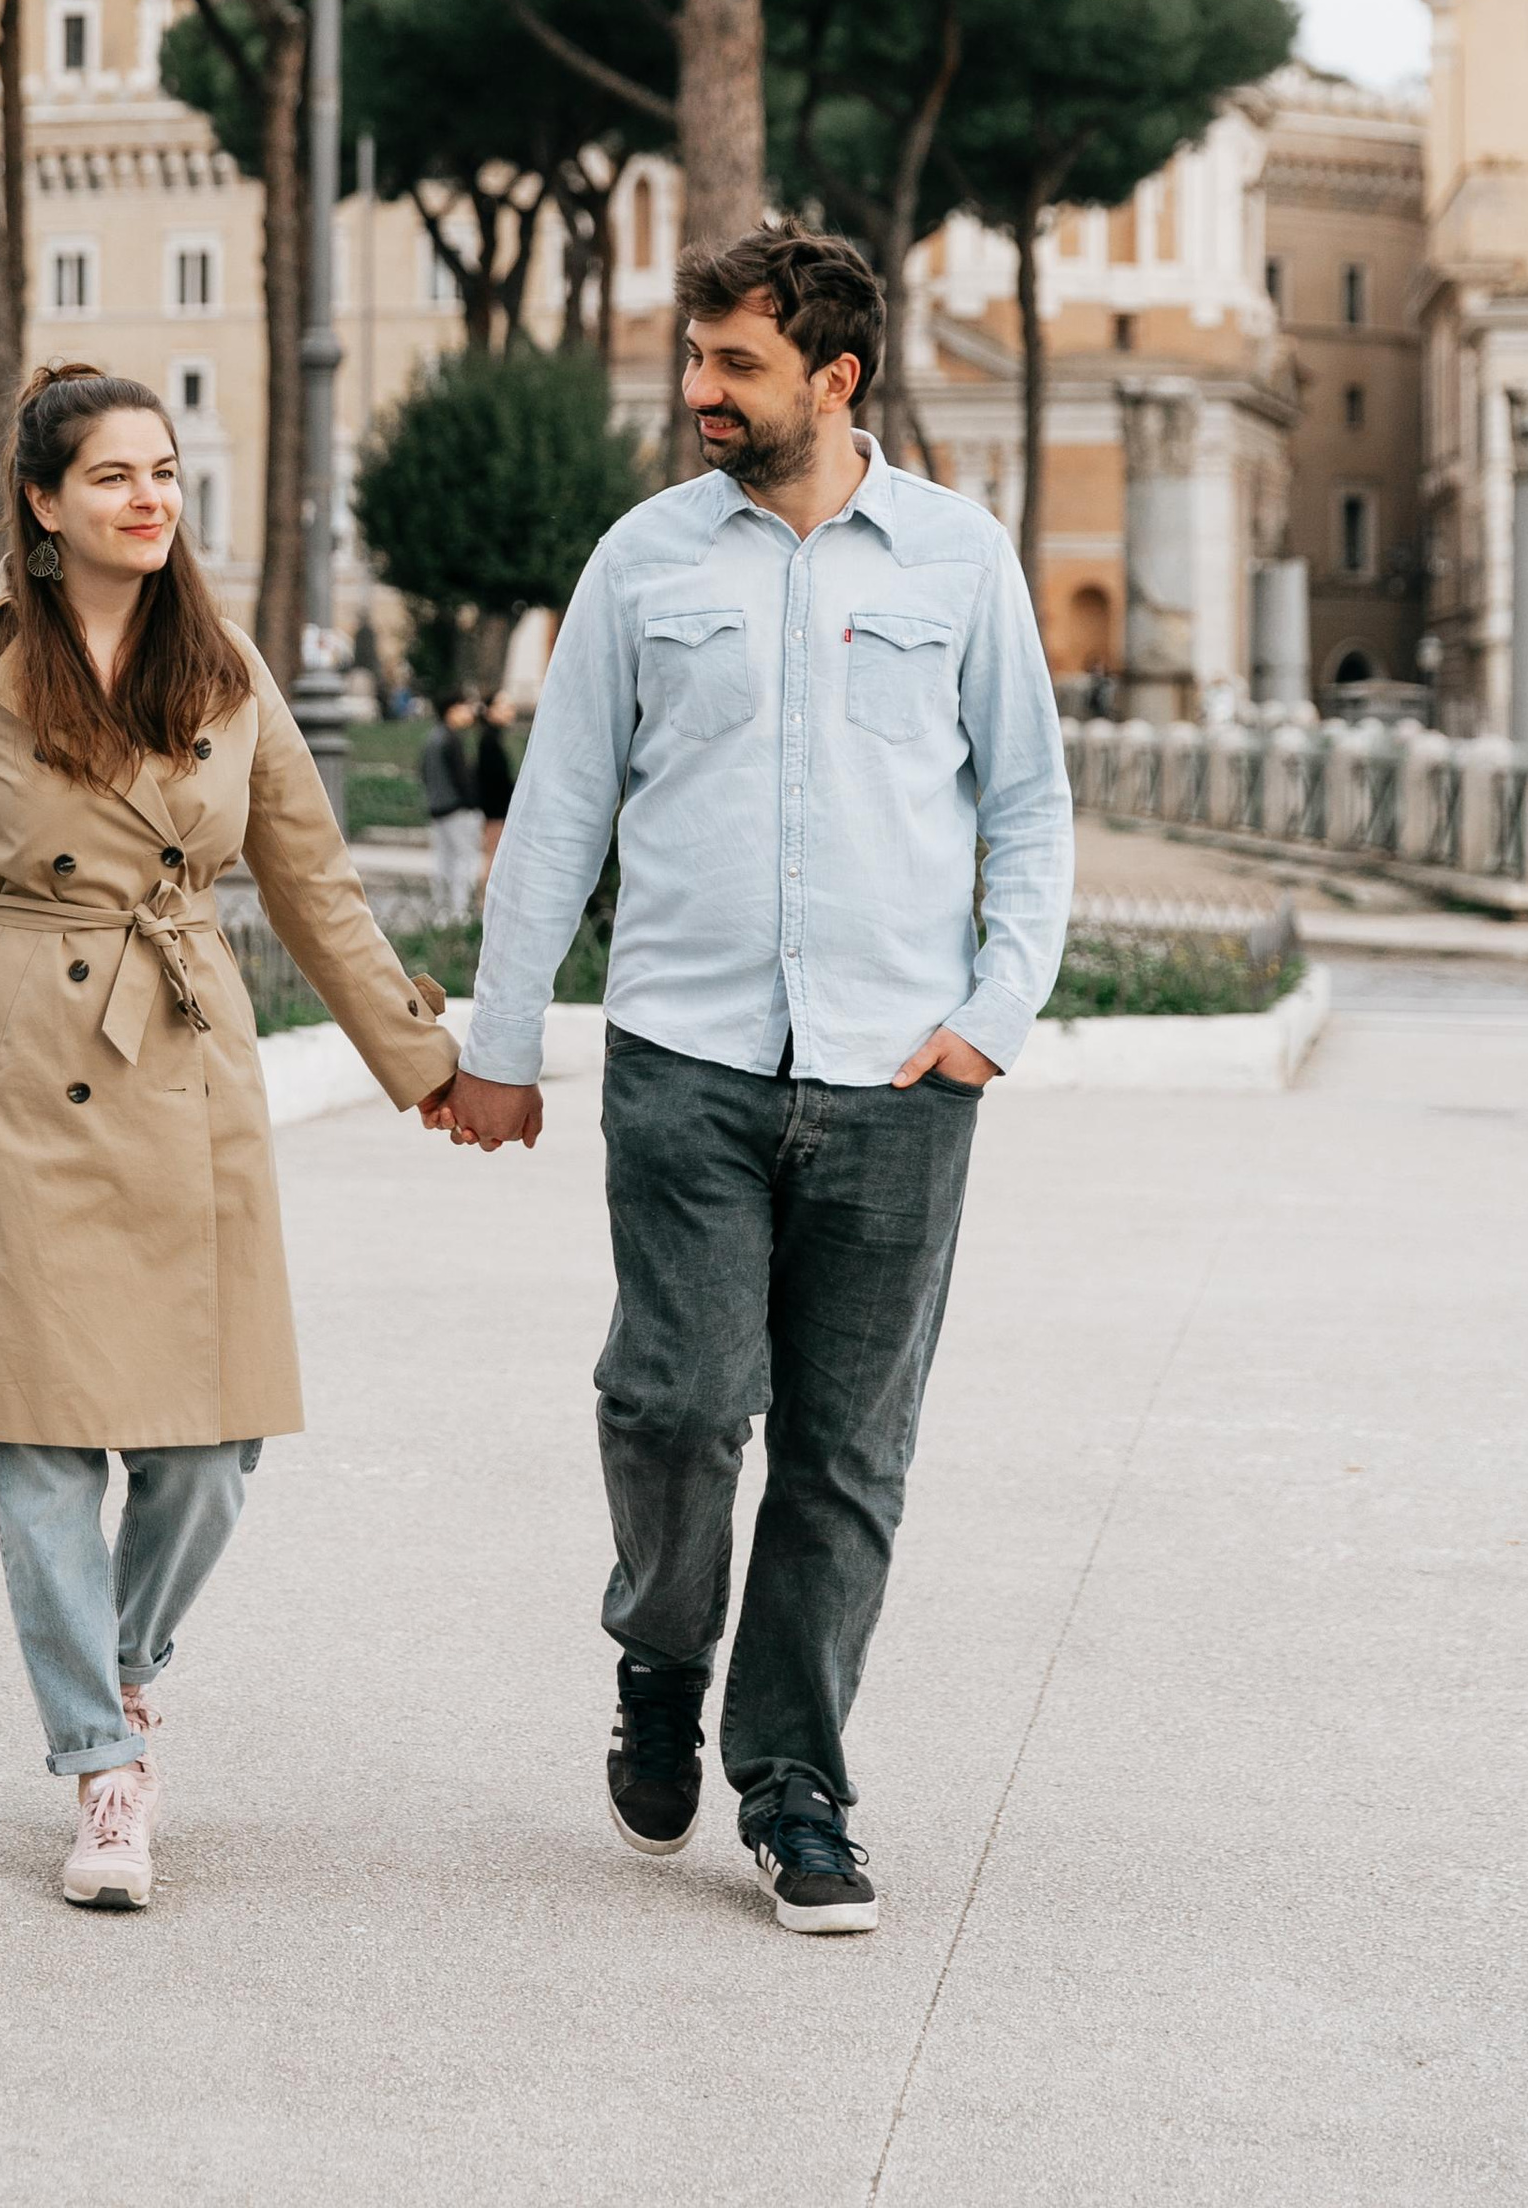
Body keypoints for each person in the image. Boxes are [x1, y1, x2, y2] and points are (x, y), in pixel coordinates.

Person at [426, 225, 1071, 1936]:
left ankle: (795, 1785)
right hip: (687, 1063)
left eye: (735, 363)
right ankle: (660, 1653)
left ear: (835, 378)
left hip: (899, 1077)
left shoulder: (958, 559)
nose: (697, 389)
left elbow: (1029, 804)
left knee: (848, 1456)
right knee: (679, 1403)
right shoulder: (642, 558)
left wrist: (996, 1012)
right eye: (696, 356)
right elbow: (560, 812)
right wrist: (501, 1050)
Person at [0, 363, 459, 1915]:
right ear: (42, 501)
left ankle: (125, 1665)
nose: (149, 498)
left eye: (162, 471)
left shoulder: (223, 662)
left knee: (215, 1447)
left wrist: (424, 1064)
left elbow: (314, 883)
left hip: (183, 1054)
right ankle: (103, 1764)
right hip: (18, 1059)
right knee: (35, 1441)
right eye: (112, 475)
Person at [419, 693, 483, 919]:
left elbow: (424, 772)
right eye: (464, 708)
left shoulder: (432, 738)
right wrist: (473, 804)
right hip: (456, 808)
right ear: (452, 710)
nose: (469, 713)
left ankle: (441, 909)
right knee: (463, 859)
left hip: (437, 807)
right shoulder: (451, 739)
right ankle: (459, 910)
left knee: (443, 860)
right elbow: (461, 777)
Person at [472, 688, 518, 895]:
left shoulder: (496, 738)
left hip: (498, 809)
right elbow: (493, 780)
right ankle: (484, 900)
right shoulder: (489, 740)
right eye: (503, 706)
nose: (509, 710)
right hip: (495, 811)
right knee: (494, 856)